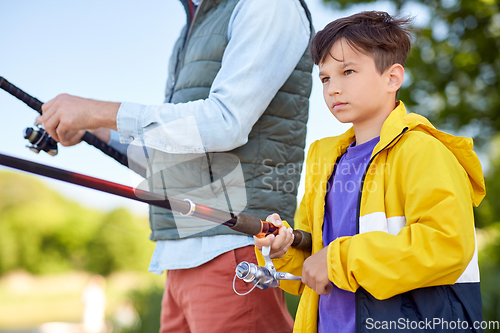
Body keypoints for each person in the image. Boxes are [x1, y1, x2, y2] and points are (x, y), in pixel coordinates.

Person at [38, 0, 314, 332]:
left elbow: (226, 123)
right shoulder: (194, 25)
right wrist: (96, 131)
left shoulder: (269, 6)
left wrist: (100, 111)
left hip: (235, 253)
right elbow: (177, 154)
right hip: (177, 257)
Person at [255, 11, 486, 333]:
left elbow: (446, 245)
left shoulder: (422, 151)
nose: (333, 88)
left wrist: (337, 259)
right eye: (325, 78)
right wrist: (284, 249)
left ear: (393, 78)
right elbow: (316, 263)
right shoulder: (325, 161)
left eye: (348, 71)